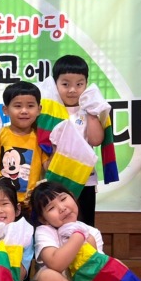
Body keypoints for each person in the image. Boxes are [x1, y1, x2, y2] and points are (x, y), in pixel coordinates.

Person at [46, 55, 105, 226]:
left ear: (86, 84)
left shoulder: (89, 111)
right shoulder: (48, 111)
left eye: (79, 84)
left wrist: (92, 113)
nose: (72, 90)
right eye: (65, 84)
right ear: (55, 84)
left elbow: (96, 140)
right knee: (55, 225)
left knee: (85, 224)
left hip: (84, 178)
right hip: (57, 178)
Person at [0, 81, 47, 204]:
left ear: (39, 109)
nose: (24, 111)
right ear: (6, 110)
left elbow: (48, 167)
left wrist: (57, 147)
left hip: (30, 203)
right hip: (0, 200)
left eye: (30, 106)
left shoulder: (40, 138)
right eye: (18, 106)